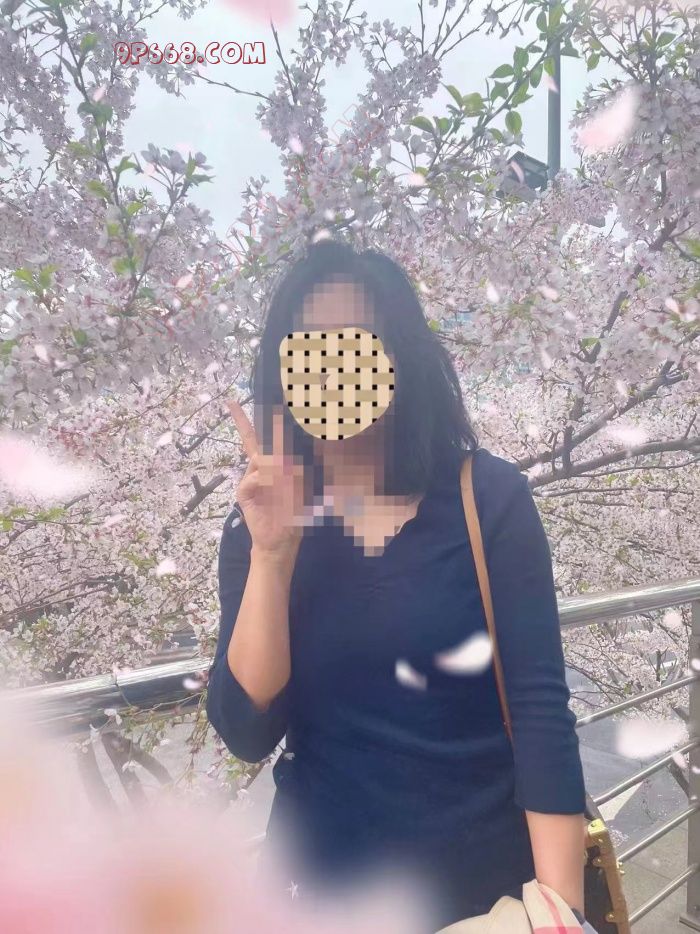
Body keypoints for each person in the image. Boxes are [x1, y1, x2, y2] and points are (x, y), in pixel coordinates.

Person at [206, 240, 593, 931]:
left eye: (355, 342)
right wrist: (274, 554)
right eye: (308, 348)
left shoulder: (488, 497)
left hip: (481, 894)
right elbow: (246, 729)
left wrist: (559, 913)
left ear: (399, 359)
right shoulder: (260, 523)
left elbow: (540, 712)